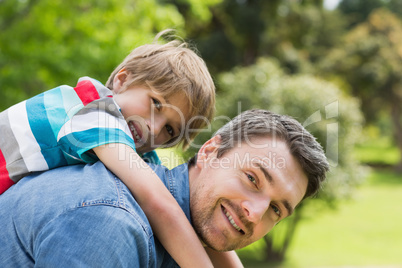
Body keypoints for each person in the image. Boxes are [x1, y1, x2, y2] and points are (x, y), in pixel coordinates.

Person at [0, 30, 225, 267]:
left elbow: (180, 209)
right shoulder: (94, 112)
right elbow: (159, 203)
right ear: (122, 79)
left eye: (170, 130)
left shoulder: (134, 145)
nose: (154, 127)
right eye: (156, 103)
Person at [0, 109, 330, 267]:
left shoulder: (188, 237)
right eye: (253, 179)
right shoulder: (110, 223)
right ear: (209, 152)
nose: (254, 213)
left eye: (276, 209)